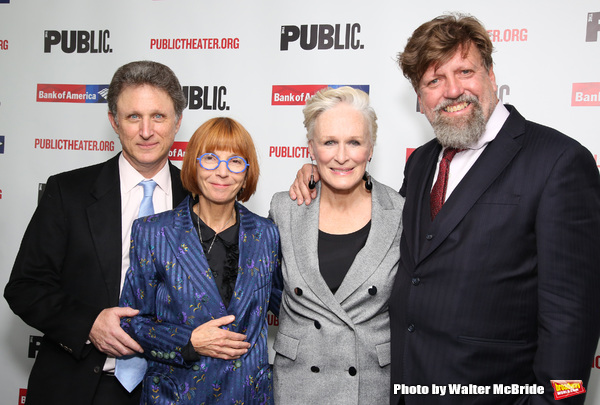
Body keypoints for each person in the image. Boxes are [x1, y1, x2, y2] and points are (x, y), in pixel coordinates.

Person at [291, 14, 600, 405]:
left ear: (490, 72)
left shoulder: (558, 160)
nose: (452, 91)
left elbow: (572, 321)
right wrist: (322, 176)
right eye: (434, 81)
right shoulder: (421, 162)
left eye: (464, 71)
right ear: (421, 98)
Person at [4, 60, 188, 405]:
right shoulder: (67, 192)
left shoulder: (199, 199)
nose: (146, 131)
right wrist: (88, 324)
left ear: (177, 121)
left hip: (170, 390)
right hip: (79, 387)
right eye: (133, 117)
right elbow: (25, 287)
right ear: (113, 121)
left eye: (158, 117)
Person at [119, 117, 281, 404]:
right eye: (210, 159)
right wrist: (189, 341)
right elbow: (130, 323)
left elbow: (292, 305)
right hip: (176, 395)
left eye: (235, 162)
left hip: (248, 395)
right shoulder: (153, 232)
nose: (222, 172)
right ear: (194, 165)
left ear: (246, 173)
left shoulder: (267, 234)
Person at [271, 86, 404, 404]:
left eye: (354, 142)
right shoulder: (283, 209)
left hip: (372, 387)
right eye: (329, 142)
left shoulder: (402, 214)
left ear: (370, 148)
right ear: (311, 148)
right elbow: (261, 292)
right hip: (297, 386)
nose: (341, 156)